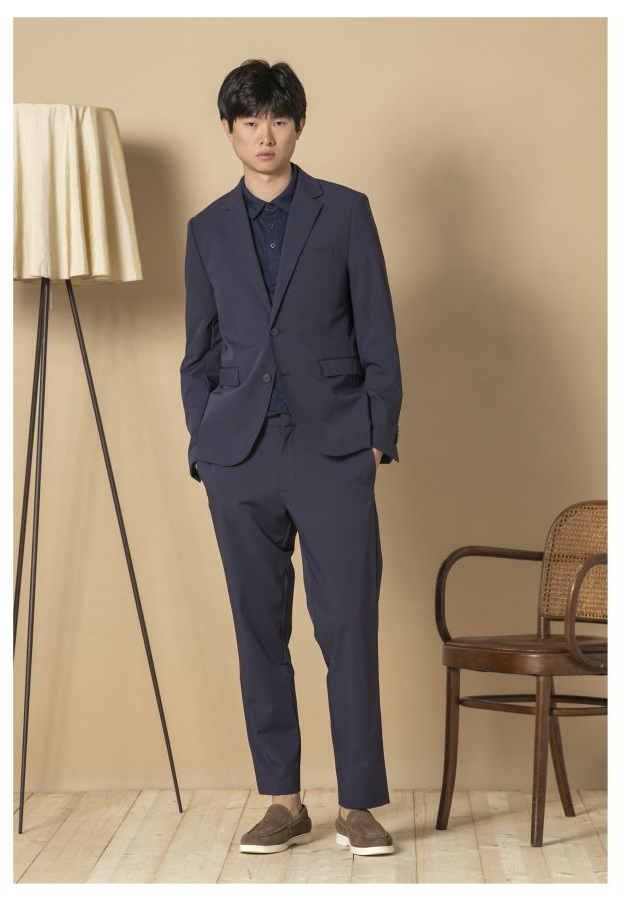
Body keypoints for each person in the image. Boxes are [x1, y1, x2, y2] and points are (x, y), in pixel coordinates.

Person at [180, 58, 402, 856]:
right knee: (257, 631)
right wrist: (205, 445)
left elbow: (377, 331)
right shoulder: (206, 229)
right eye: (249, 121)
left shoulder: (344, 212)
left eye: (277, 119)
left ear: (297, 126)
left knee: (347, 626)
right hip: (239, 455)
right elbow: (198, 352)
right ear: (229, 130)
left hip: (332, 448)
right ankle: (282, 801)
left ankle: (358, 805)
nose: (264, 134)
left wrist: (377, 434)